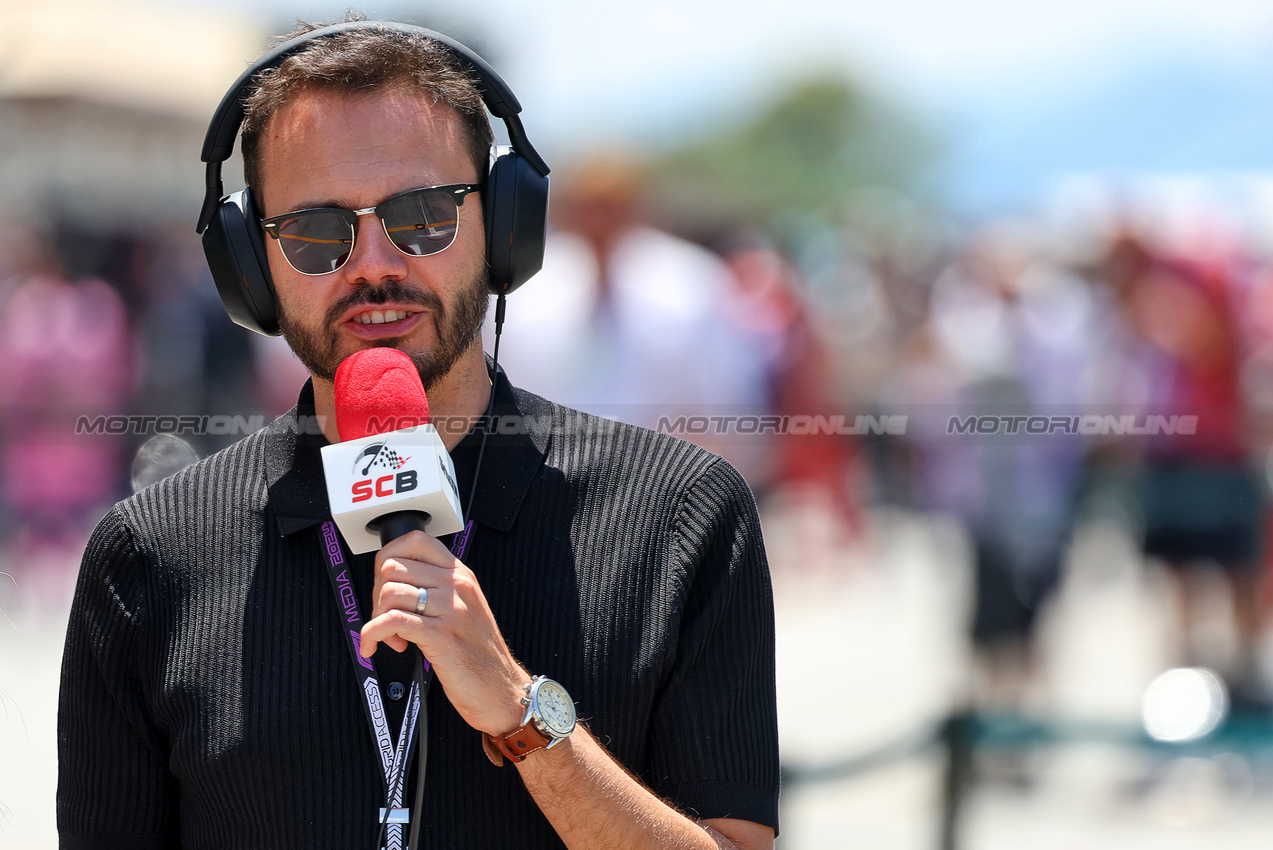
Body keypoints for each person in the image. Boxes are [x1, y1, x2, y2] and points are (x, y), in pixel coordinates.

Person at [57, 19, 778, 850]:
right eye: (318, 232)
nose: (375, 264)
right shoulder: (148, 557)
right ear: (248, 264)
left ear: (505, 228)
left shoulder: (681, 515)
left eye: (425, 215)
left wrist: (521, 712)